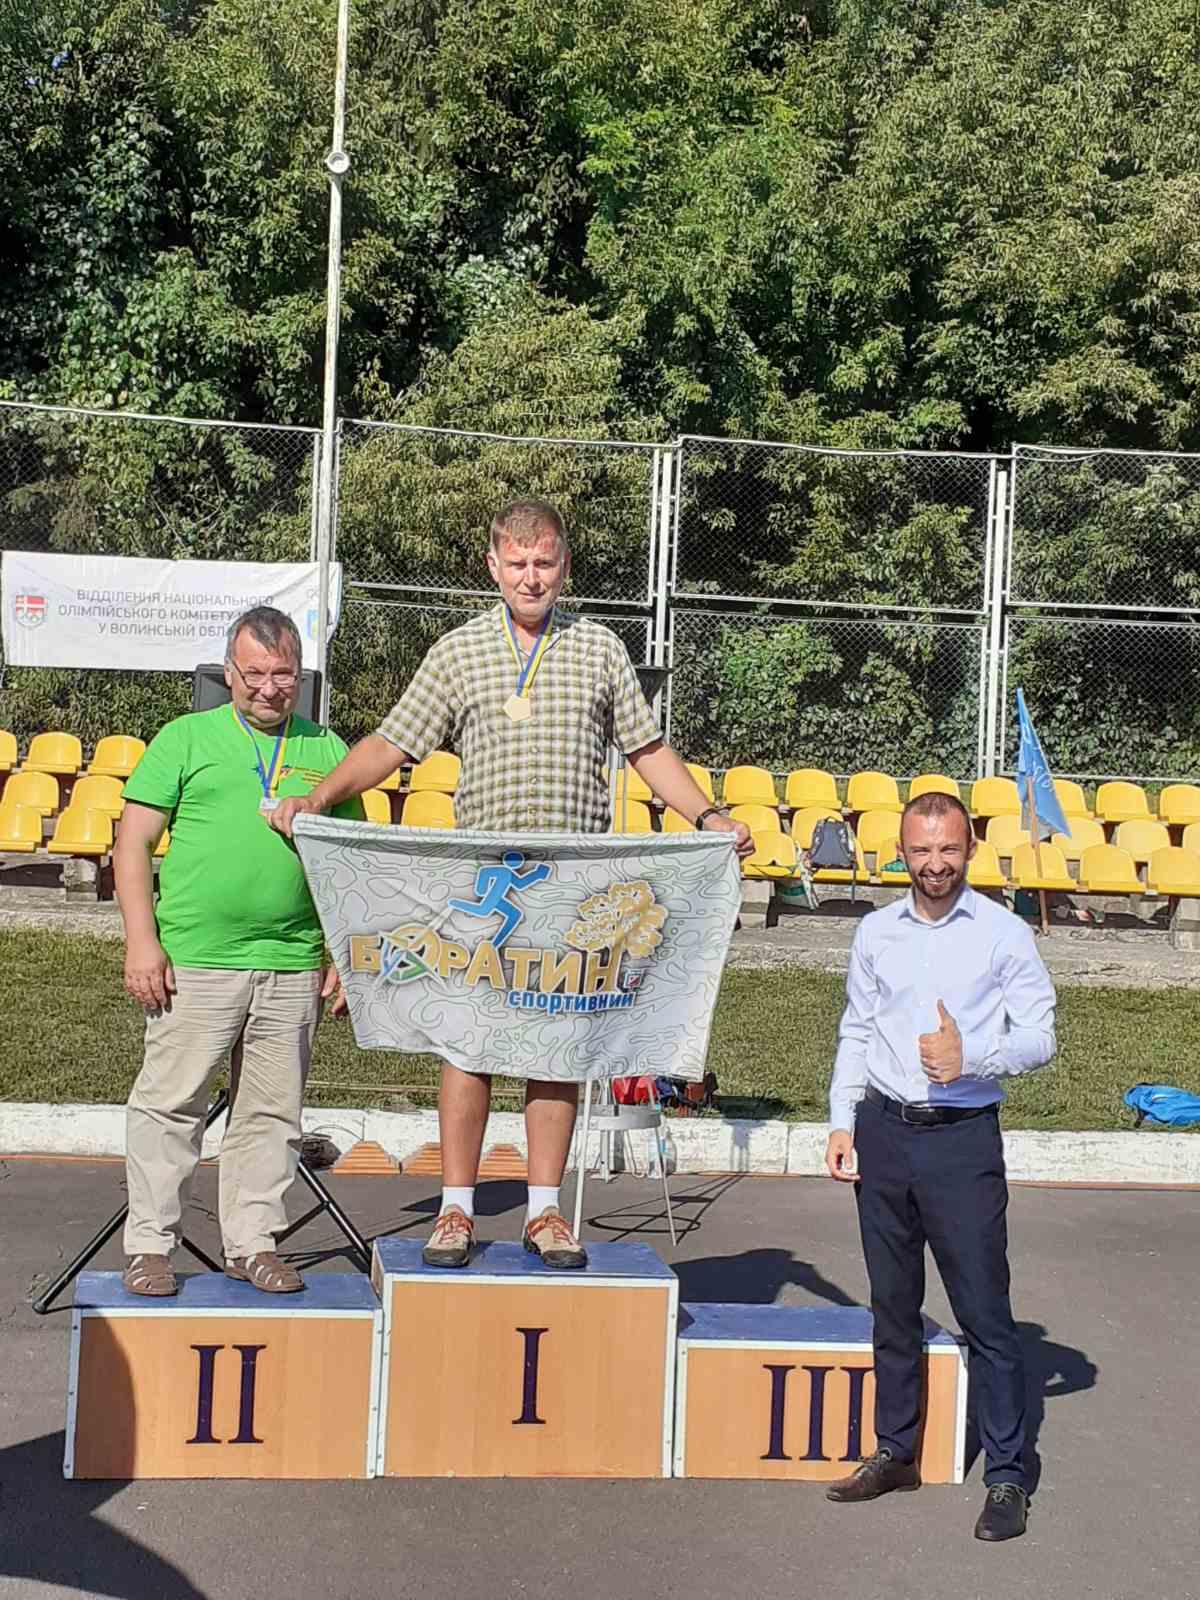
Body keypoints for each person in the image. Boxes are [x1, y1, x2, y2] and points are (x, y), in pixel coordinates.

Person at [270, 498, 752, 1271]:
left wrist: (707, 814)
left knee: (557, 1047)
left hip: (573, 889)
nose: (532, 577)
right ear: (493, 567)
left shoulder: (599, 648)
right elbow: (393, 743)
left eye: (545, 563)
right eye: (518, 563)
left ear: (565, 566)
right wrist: (320, 797)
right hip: (485, 883)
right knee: (467, 1043)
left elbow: (647, 750)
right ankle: (455, 1211)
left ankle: (545, 1212)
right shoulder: (458, 651)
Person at [823, 791, 1056, 1542]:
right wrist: (841, 1120)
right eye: (921, 850)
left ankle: (1008, 1474)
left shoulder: (1003, 933)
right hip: (882, 1133)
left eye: (948, 849)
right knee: (892, 1305)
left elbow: (1042, 1036)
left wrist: (972, 1057)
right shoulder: (875, 932)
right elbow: (857, 1028)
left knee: (984, 1312)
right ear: (902, 851)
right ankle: (896, 1450)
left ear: (970, 849)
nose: (935, 864)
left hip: (961, 1142)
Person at [115, 606, 362, 1297]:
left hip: (292, 962)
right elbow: (132, 844)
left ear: (300, 675)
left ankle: (253, 1243)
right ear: (229, 672)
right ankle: (150, 1246)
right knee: (171, 1105)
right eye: (254, 674)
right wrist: (142, 941)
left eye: (283, 675)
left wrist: (345, 956)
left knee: (271, 1113)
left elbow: (351, 865)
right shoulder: (185, 738)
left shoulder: (328, 751)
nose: (268, 689)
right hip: (194, 958)